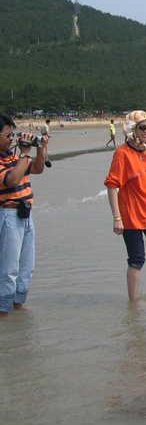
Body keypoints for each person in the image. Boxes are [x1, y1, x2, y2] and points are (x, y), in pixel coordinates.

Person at [104, 110, 146, 303]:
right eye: (142, 127)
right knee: (137, 260)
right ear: (131, 129)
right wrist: (117, 218)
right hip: (131, 217)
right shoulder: (122, 154)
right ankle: (133, 302)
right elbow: (112, 186)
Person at [0, 114, 48, 316]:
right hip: (8, 215)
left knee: (27, 267)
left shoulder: (12, 155)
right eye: (8, 134)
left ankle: (18, 304)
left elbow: (37, 169)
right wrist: (25, 152)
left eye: (13, 134)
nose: (12, 138)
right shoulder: (12, 158)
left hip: (25, 215)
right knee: (9, 268)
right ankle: (3, 309)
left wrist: (40, 148)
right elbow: (11, 180)